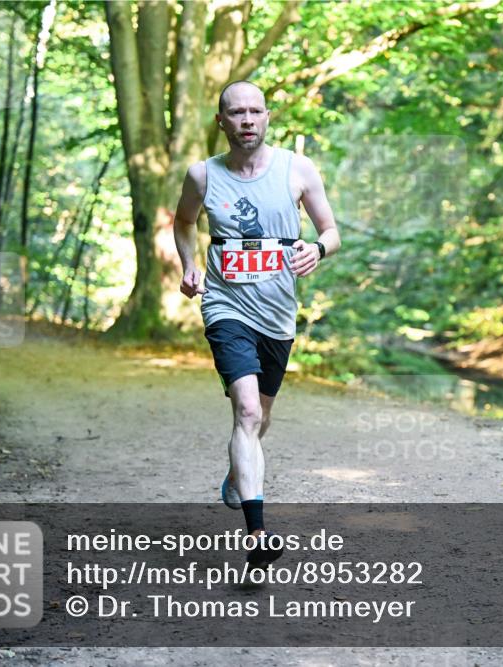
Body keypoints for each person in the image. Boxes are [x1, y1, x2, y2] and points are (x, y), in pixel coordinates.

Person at [173, 80, 340, 569]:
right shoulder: (203, 176)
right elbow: (183, 223)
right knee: (246, 412)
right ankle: (259, 532)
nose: (247, 120)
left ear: (267, 118)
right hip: (226, 306)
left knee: (260, 418)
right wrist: (189, 264)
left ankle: (235, 474)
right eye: (236, 112)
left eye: (255, 111)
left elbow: (331, 231)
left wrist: (318, 248)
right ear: (220, 122)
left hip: (277, 315)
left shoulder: (297, 170)